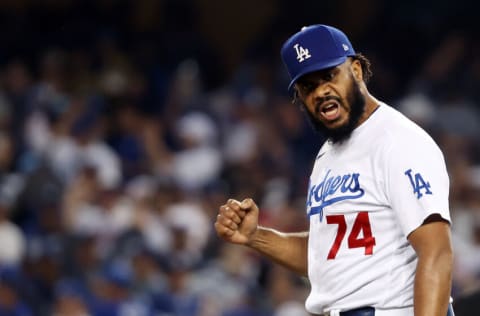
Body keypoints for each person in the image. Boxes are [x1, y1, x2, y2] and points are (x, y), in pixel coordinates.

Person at [214, 24, 455, 316]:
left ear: (355, 70)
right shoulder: (329, 154)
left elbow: (436, 253)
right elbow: (328, 256)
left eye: (329, 76)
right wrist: (256, 237)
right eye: (308, 86)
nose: (321, 91)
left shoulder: (397, 141)